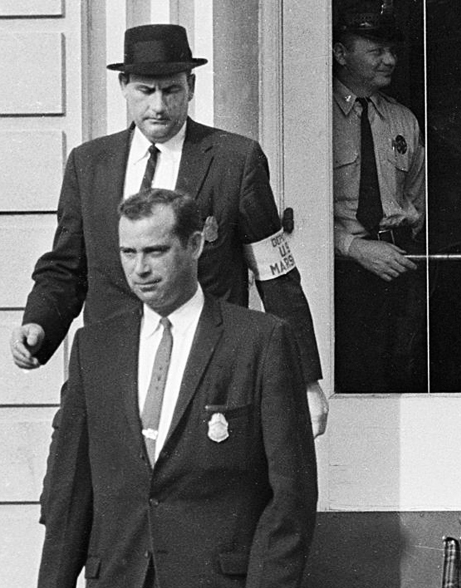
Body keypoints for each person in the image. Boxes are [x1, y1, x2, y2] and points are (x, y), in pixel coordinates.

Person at [29, 188, 318, 588]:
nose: (141, 267)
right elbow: (70, 490)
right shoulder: (95, 346)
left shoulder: (259, 341)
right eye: (128, 253)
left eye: (156, 250)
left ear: (196, 243)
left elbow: (291, 492)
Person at [10, 23, 328, 436]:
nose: (158, 106)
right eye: (145, 90)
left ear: (191, 86)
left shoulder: (235, 160)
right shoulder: (89, 165)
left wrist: (305, 380)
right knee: (75, 493)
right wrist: (40, 324)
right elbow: (67, 267)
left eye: (171, 90)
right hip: (111, 370)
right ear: (124, 86)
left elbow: (276, 274)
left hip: (208, 373)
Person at [332, 0, 426, 392]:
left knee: (399, 377)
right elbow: (295, 210)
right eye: (376, 50)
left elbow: (415, 198)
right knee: (351, 379)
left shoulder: (402, 119)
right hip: (340, 272)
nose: (389, 60)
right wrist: (353, 248)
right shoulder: (315, 117)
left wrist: (403, 237)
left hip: (397, 266)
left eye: (392, 51)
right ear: (341, 53)